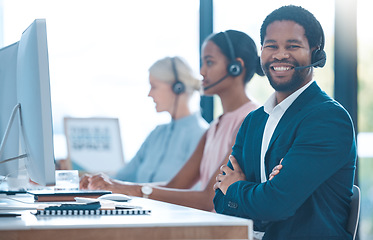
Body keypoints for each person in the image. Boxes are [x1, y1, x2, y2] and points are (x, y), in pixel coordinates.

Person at [213, 5, 357, 240]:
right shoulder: (253, 121)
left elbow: (275, 203)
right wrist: (261, 193)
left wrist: (236, 188)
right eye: (271, 46)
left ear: (315, 52)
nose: (280, 55)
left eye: (293, 46)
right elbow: (220, 199)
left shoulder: (327, 119)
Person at [80, 30, 264, 211]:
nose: (201, 71)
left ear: (236, 67)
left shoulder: (249, 120)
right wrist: (115, 187)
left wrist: (132, 189)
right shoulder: (214, 126)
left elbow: (210, 198)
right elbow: (176, 184)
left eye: (209, 62)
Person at [82, 56, 208, 183]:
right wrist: (93, 181)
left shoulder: (202, 136)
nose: (149, 94)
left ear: (177, 87)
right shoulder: (157, 134)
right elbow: (123, 177)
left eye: (154, 86)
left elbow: (189, 190)